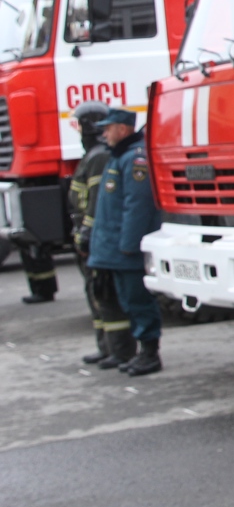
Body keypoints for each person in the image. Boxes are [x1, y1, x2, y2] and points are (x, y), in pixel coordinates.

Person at [85, 109, 164, 376]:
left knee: (139, 301)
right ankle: (137, 352)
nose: (104, 134)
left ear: (123, 129)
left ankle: (150, 353)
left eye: (108, 128)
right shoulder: (118, 157)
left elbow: (137, 206)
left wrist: (129, 246)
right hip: (115, 250)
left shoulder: (134, 159)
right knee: (128, 302)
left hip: (125, 250)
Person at [65, 100, 132, 368]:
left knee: (105, 295)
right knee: (96, 296)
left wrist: (86, 235)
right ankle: (106, 347)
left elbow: (94, 204)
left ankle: (120, 351)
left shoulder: (98, 157)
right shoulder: (94, 156)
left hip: (96, 239)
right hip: (89, 236)